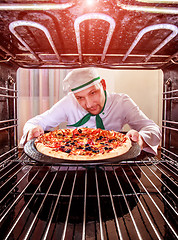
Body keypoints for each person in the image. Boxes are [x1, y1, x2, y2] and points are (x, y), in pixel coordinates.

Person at [20, 67, 161, 155]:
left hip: (112, 169)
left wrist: (141, 138)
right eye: (80, 97)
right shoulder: (69, 102)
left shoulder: (121, 102)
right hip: (72, 168)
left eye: (93, 93)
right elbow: (35, 123)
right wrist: (33, 130)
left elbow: (153, 129)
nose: (88, 104)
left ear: (103, 85)